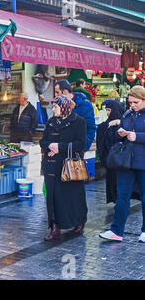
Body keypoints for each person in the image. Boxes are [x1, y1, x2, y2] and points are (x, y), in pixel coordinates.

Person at [99, 85, 145, 243]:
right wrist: (120, 132)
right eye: (130, 102)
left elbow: (137, 135)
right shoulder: (127, 113)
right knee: (122, 196)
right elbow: (121, 130)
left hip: (143, 162)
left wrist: (137, 136)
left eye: (136, 102)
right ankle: (116, 230)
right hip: (127, 162)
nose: (132, 105)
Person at [40, 95, 88, 241]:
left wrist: (59, 147)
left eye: (56, 106)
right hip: (52, 166)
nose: (53, 109)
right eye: (53, 106)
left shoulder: (79, 122)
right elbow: (43, 141)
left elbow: (80, 144)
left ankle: (79, 220)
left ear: (65, 107)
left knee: (73, 195)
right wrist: (49, 145)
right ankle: (54, 226)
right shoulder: (50, 122)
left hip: (70, 166)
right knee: (53, 197)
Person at [96, 100, 125, 204]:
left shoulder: (124, 122)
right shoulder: (106, 124)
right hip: (110, 160)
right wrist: (108, 125)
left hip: (121, 160)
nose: (107, 112)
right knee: (112, 181)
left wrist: (119, 124)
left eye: (109, 110)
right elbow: (100, 133)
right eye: (106, 110)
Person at [55, 79, 95, 152]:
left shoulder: (85, 104)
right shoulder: (58, 104)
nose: (55, 95)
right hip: (61, 149)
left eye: (57, 92)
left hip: (77, 150)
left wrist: (83, 149)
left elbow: (91, 128)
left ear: (65, 92)